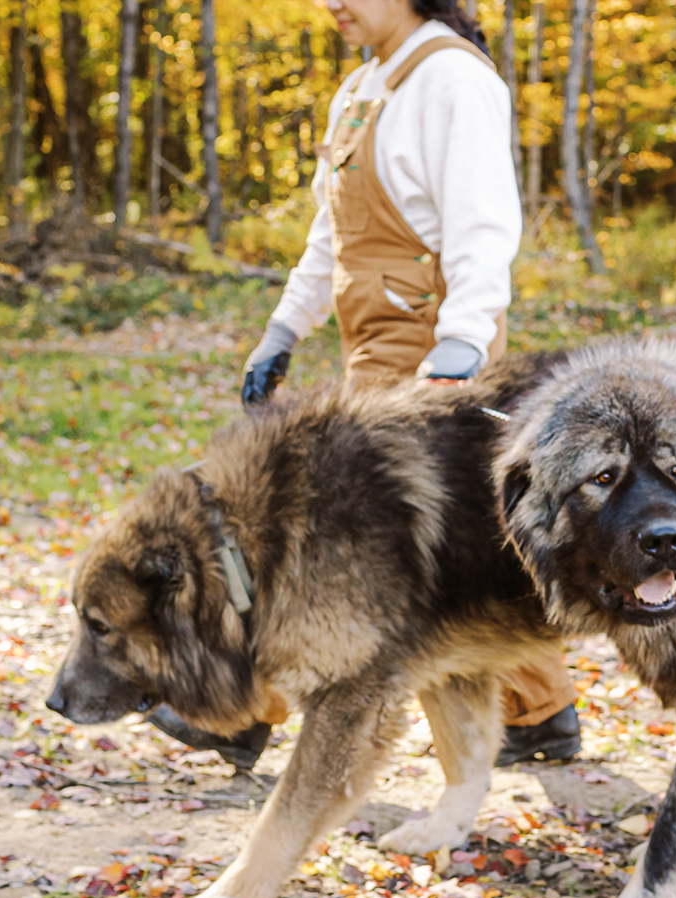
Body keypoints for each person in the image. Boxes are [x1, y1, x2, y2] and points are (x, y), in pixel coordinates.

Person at [145, 0, 579, 771]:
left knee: (334, 540)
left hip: (436, 349)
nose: (332, 5)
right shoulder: (362, 88)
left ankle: (243, 711)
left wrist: (460, 349)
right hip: (370, 349)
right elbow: (332, 237)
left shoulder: (453, 79)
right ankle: (539, 712)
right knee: (465, 544)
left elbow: (485, 229)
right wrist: (284, 328)